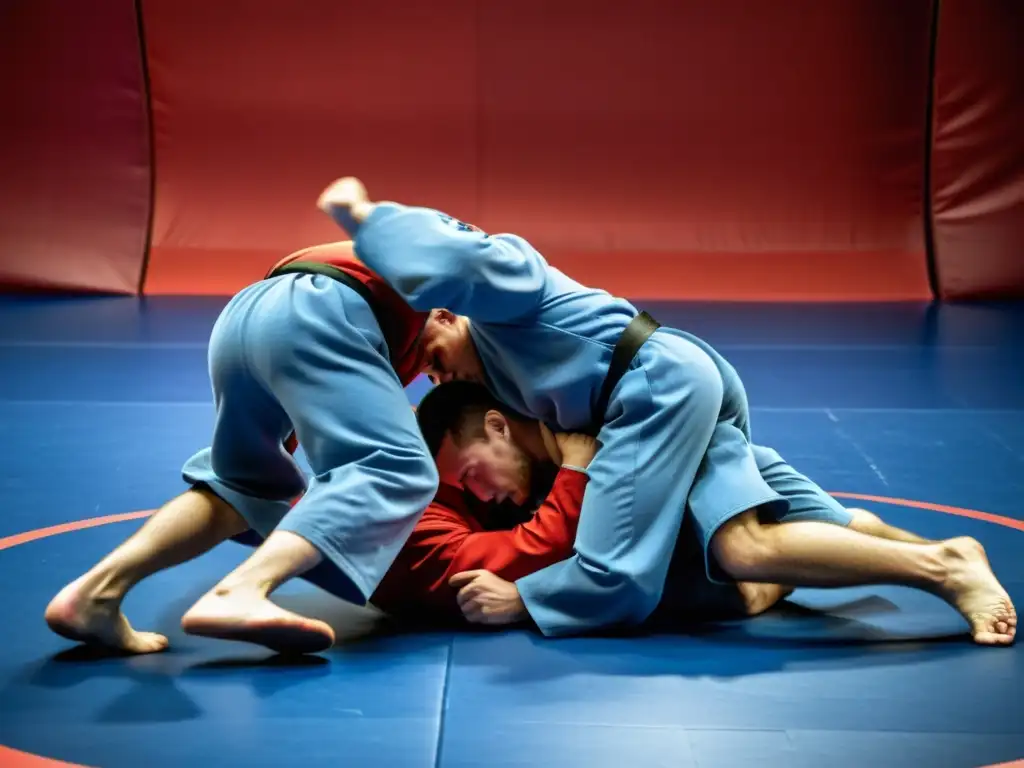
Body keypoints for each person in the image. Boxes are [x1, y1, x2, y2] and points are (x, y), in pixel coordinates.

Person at [317, 177, 1016, 646]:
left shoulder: (497, 301)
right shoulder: (495, 379)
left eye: (424, 348)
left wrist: (365, 223)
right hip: (677, 379)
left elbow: (457, 257)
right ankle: (938, 553)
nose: (423, 368)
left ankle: (943, 572)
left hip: (654, 389)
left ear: (443, 307)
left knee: (714, 556)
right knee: (783, 524)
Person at [44, 241, 444, 655]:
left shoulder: (392, 337)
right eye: (439, 361)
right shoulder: (470, 302)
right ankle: (239, 592)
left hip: (250, 315)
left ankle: (94, 594)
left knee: (244, 486)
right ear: (448, 317)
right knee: (395, 467)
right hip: (316, 310)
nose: (437, 376)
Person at [370, 382, 794, 627]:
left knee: (747, 563)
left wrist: (523, 603)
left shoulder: (572, 419)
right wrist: (574, 471)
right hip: (704, 449)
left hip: (704, 447)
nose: (477, 493)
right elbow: (531, 552)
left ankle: (807, 559)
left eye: (469, 476)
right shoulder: (413, 527)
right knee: (756, 572)